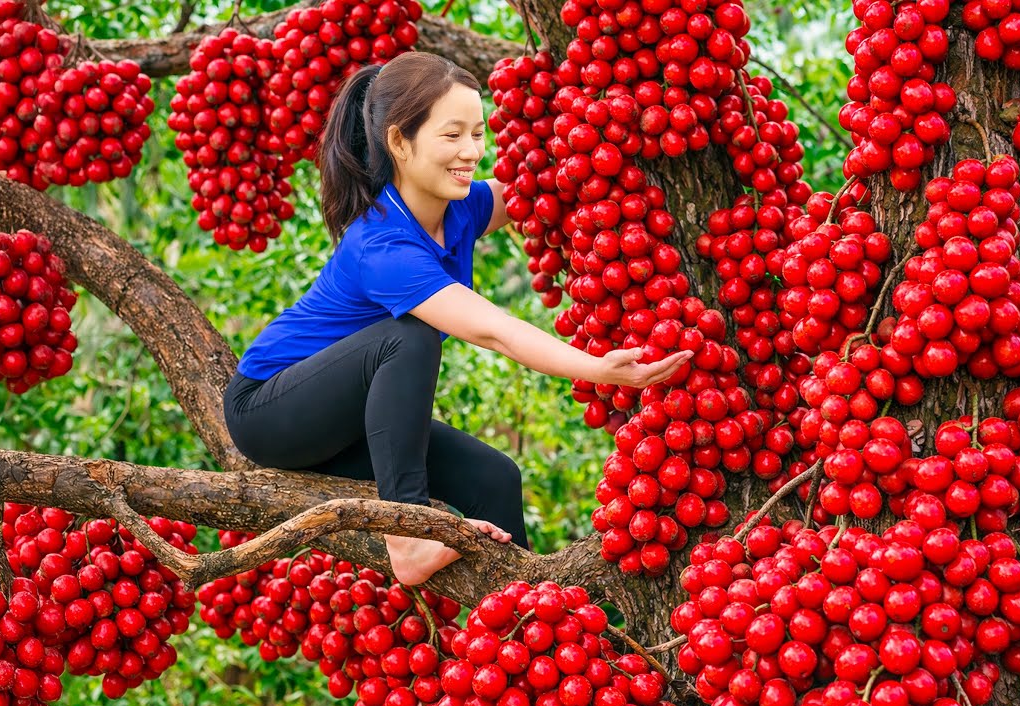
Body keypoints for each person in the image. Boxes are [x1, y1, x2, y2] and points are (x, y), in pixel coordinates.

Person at [223, 51, 692, 586]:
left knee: (495, 478)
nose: (472, 152)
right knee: (409, 336)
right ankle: (410, 538)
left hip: (349, 421)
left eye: (477, 133)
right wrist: (599, 368)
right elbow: (492, 329)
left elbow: (541, 187)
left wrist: (618, 137)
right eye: (452, 136)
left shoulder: (460, 207)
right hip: (268, 410)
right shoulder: (381, 244)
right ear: (399, 142)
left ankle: (526, 620)